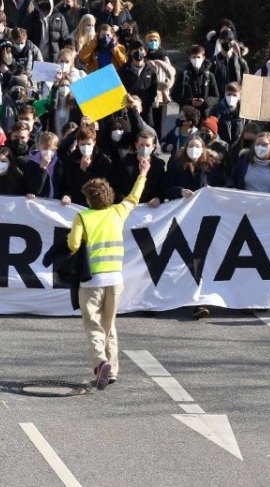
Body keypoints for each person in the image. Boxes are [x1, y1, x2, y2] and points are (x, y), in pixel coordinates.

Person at [66, 155, 149, 389]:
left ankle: (100, 362)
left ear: (89, 199)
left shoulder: (82, 216)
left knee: (93, 325)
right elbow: (134, 198)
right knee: (109, 323)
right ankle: (112, 369)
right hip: (115, 279)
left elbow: (73, 244)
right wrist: (143, 173)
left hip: (91, 280)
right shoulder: (117, 212)